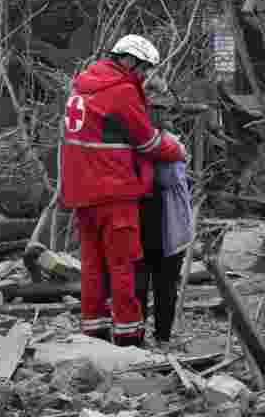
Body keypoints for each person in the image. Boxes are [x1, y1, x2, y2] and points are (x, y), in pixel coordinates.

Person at [59, 34, 186, 347]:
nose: (144, 76)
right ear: (129, 60)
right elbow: (148, 142)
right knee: (125, 265)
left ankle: (94, 332)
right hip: (113, 191)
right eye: (144, 68)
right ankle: (129, 337)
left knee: (92, 266)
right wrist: (178, 150)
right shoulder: (121, 91)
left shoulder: (82, 83)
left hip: (81, 192)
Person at [136, 155, 194, 347]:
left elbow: (168, 177)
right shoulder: (136, 153)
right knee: (139, 290)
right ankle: (138, 337)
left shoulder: (171, 157)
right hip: (142, 236)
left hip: (170, 236)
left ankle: (163, 338)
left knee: (166, 289)